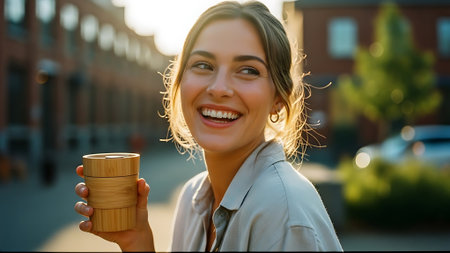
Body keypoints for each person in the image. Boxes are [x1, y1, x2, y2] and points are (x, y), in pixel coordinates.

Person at [74, 1, 343, 251]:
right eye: (203, 65)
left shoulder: (284, 213)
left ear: (278, 99)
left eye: (248, 70)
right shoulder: (192, 199)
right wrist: (138, 242)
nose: (218, 88)